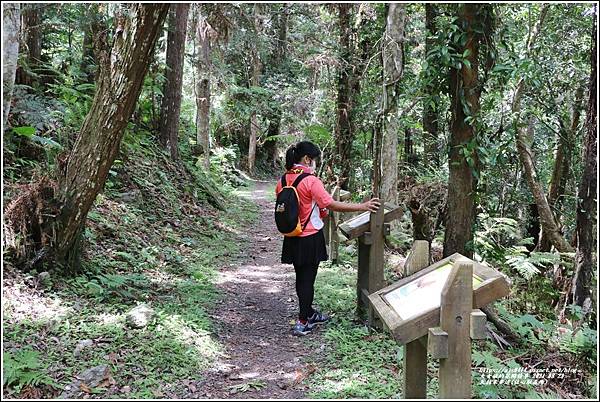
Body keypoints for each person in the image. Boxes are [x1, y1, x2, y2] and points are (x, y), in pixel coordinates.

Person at [275, 141, 380, 336]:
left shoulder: (283, 180)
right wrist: (363, 206)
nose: (314, 163)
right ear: (307, 159)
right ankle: (303, 321)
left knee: (301, 277)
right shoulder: (311, 180)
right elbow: (329, 204)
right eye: (313, 159)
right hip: (310, 237)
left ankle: (308, 313)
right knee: (308, 280)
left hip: (292, 236)